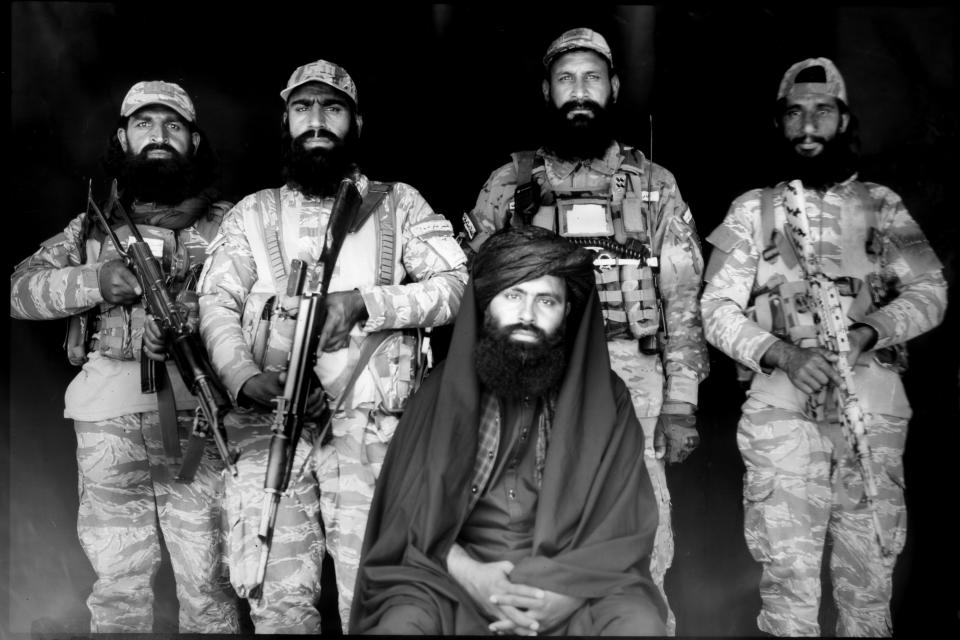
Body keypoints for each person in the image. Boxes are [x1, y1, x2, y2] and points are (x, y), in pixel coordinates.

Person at [198, 59, 468, 632]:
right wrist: (244, 376)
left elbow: (457, 290)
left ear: (356, 123)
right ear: (286, 122)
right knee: (278, 609)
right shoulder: (253, 214)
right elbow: (215, 305)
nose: (316, 121)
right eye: (303, 108)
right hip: (272, 430)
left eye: (332, 108)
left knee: (378, 604)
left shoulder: (399, 205)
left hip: (371, 436)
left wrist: (366, 304)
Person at [460, 27, 707, 632]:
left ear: (613, 87)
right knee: (522, 539)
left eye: (592, 77)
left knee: (640, 542)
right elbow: (470, 299)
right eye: (566, 78)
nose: (580, 91)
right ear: (548, 90)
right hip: (526, 385)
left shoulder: (655, 186)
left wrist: (681, 402)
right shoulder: (507, 185)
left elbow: (682, 300)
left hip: (633, 385)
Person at [700, 57, 948, 636]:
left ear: (843, 120)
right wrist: (784, 354)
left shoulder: (880, 206)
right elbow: (714, 310)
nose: (808, 126)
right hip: (782, 416)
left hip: (873, 411)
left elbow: (931, 291)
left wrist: (870, 331)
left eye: (823, 112)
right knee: (788, 583)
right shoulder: (753, 210)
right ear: (780, 125)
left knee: (868, 586)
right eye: (795, 113)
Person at [350, 225, 666, 636]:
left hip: (577, 581)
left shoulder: (607, 397)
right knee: (402, 625)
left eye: (546, 301)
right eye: (513, 296)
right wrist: (473, 578)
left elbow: (622, 522)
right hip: (453, 578)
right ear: (486, 305)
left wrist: (562, 597)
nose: (528, 316)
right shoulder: (441, 391)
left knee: (636, 624)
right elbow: (407, 518)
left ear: (568, 311)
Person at [10, 80, 239, 633]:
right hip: (107, 420)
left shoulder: (232, 224)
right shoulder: (91, 227)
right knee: (118, 589)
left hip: (197, 420)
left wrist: (200, 312)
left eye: (173, 126)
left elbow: (260, 306)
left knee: (209, 588)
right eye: (144, 124)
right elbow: (19, 292)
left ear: (193, 140)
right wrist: (95, 280)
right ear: (123, 137)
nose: (158, 136)